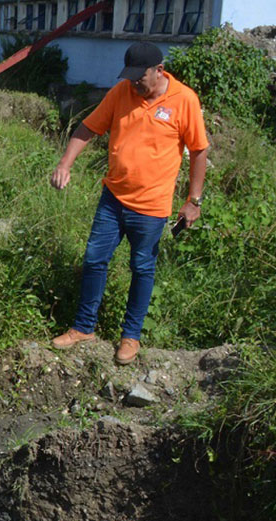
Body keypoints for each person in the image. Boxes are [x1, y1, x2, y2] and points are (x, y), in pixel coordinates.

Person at [49, 42, 209, 365]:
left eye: (141, 77)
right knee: (95, 258)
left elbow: (199, 151)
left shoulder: (184, 100)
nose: (135, 83)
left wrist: (193, 201)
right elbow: (88, 127)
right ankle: (83, 327)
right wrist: (65, 163)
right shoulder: (122, 92)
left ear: (159, 71)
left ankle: (131, 336)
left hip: (151, 208)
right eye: (131, 77)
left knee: (142, 269)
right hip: (113, 198)